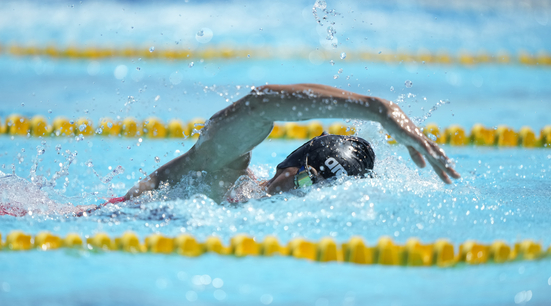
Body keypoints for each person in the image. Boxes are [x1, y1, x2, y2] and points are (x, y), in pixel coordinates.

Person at [122, 83, 460, 203]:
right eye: (305, 179)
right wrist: (375, 109)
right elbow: (258, 104)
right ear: (290, 161)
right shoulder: (224, 173)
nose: (298, 193)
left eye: (315, 194)